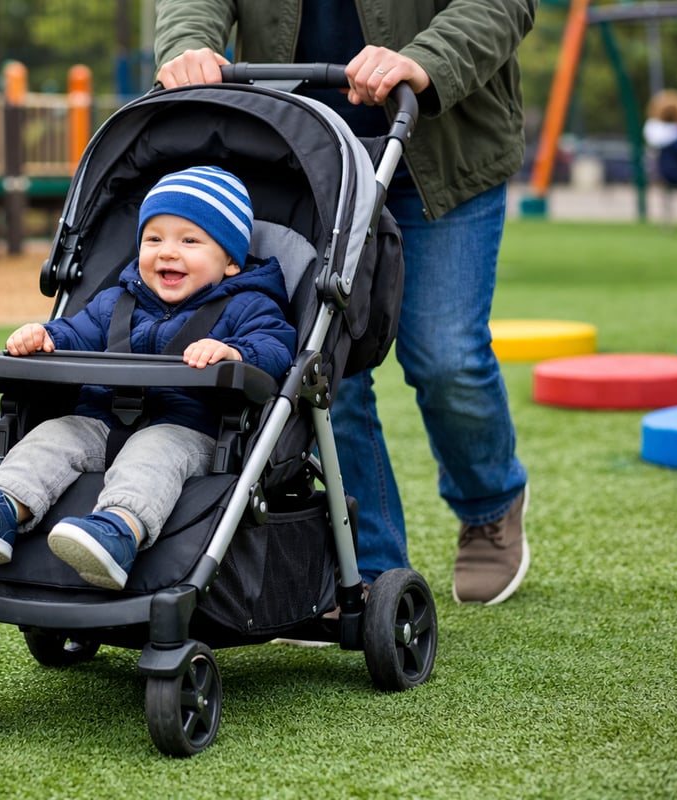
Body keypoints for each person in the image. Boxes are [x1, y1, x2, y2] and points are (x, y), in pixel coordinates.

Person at [155, 1, 534, 605]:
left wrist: (423, 61)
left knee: (445, 356)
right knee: (325, 369)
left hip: (438, 143)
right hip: (301, 158)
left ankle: (490, 503)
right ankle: (372, 570)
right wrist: (189, 43)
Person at [0, 166, 297, 590]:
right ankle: (0, 509)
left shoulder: (247, 306)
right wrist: (45, 336)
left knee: (152, 453)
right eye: (153, 239)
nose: (168, 252)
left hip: (189, 431)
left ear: (230, 261)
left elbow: (276, 347)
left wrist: (234, 353)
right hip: (102, 421)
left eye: (189, 241)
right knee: (53, 435)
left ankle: (118, 533)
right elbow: (75, 334)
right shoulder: (116, 301)